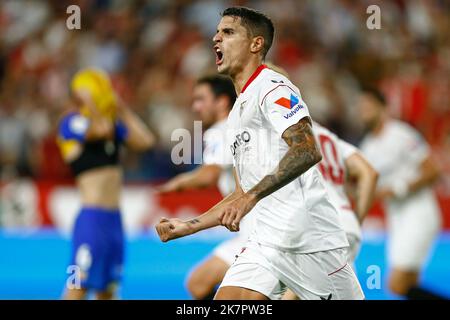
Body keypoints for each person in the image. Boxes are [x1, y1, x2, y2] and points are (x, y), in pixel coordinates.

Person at [156, 6, 364, 300]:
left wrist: (251, 196)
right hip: (264, 242)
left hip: (307, 239)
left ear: (256, 44)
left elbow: (307, 149)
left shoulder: (273, 88)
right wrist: (188, 227)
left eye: (228, 32)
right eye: (216, 33)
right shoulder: (237, 113)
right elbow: (239, 195)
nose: (216, 39)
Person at [58, 67, 155, 299]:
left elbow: (146, 141)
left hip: (114, 221)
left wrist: (121, 107)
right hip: (91, 219)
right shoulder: (71, 122)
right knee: (78, 284)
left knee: (108, 289)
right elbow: (98, 130)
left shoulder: (112, 125)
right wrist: (91, 103)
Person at [158, 74, 242, 299]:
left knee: (200, 283)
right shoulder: (243, 126)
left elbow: (210, 173)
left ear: (222, 102)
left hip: (256, 235)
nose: (195, 107)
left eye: (201, 99)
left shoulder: (221, 130)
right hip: (256, 230)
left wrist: (179, 183)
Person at [358, 86, 444, 300]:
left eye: (369, 107)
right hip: (396, 220)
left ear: (383, 108)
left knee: (396, 284)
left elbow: (432, 170)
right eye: (362, 108)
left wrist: (399, 189)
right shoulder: (367, 146)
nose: (364, 112)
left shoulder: (400, 134)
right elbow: (372, 189)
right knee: (409, 283)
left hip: (418, 213)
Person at [283, 121, 378, 299]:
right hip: (344, 225)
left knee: (292, 292)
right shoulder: (329, 137)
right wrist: (356, 220)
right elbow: (369, 173)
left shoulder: (285, 130)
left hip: (319, 226)